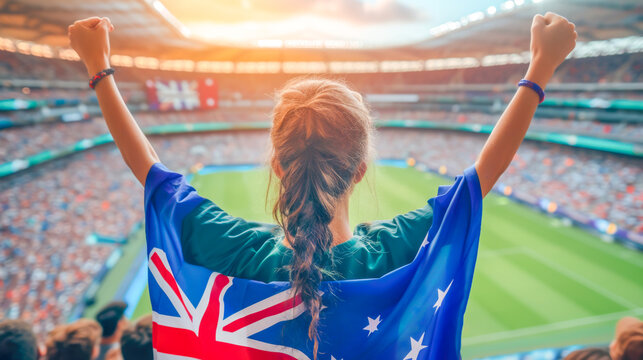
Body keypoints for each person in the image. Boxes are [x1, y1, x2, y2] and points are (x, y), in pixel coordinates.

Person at [68, 12, 576, 358]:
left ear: (278, 166)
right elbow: (478, 179)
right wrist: (539, 70)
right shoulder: (388, 253)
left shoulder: (239, 251)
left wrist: (100, 69)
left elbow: (154, 173)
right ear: (359, 170)